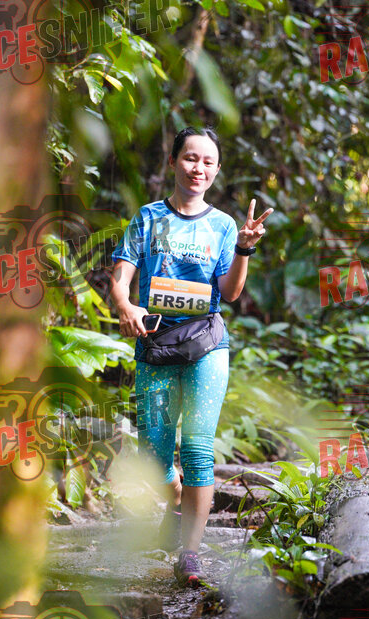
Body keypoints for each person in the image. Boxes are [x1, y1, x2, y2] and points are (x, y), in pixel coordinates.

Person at [110, 126, 272, 588]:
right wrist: (125, 305)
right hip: (155, 343)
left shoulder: (222, 225)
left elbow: (230, 292)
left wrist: (244, 248)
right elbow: (121, 275)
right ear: (174, 162)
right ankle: (177, 499)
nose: (198, 168)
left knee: (199, 447)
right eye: (190, 158)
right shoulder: (148, 218)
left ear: (216, 171)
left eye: (208, 162)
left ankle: (191, 553)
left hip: (206, 343)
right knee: (155, 453)